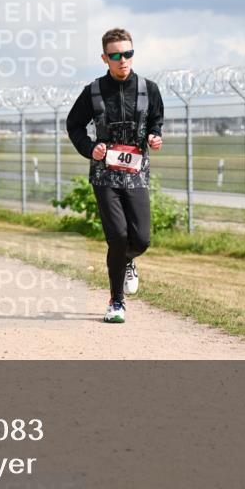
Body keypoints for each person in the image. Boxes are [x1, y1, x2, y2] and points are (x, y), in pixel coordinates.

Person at [66, 28, 164, 324]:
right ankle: (116, 302)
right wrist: (89, 148)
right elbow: (74, 126)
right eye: (116, 55)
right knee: (118, 236)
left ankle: (129, 260)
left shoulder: (149, 88)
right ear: (105, 58)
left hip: (136, 174)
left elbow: (155, 120)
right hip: (104, 175)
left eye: (128, 54)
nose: (123, 60)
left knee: (142, 239)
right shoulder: (93, 91)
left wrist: (155, 136)